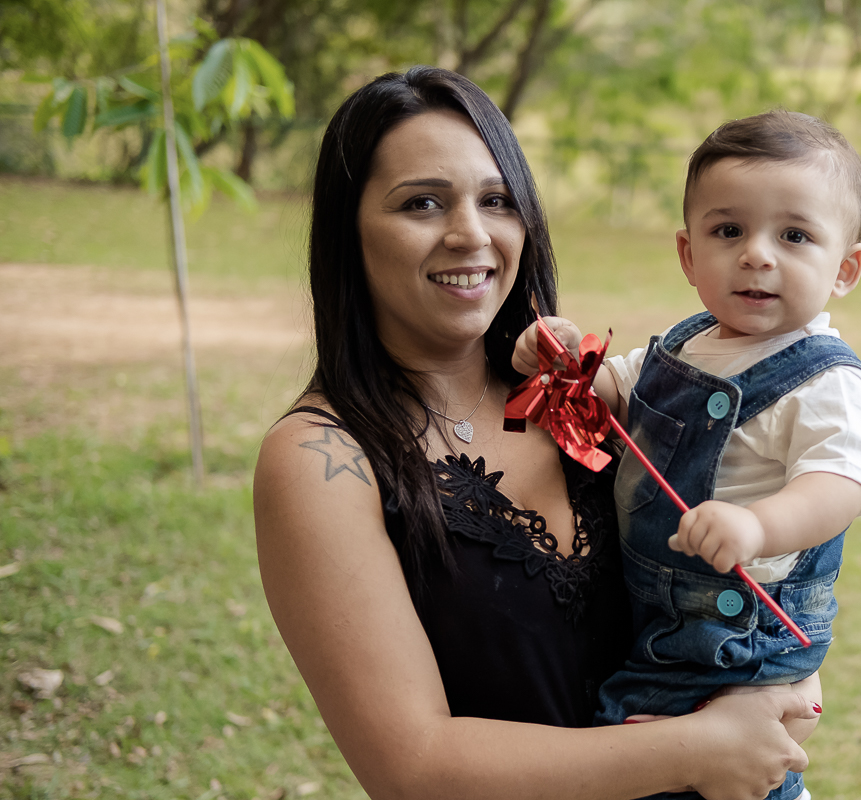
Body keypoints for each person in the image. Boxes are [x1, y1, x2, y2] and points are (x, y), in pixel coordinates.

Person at [253, 67, 821, 800]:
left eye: (496, 201)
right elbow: (412, 766)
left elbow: (741, 591)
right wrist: (696, 749)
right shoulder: (318, 461)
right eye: (421, 202)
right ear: (348, 231)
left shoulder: (586, 398)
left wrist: (774, 692)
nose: (471, 233)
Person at [513, 110, 861, 800]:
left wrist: (759, 526)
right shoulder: (687, 344)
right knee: (650, 753)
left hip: (740, 634)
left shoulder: (825, 382)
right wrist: (565, 362)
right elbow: (617, 392)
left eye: (795, 235)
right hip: (658, 614)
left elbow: (839, 484)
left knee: (687, 764)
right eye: (728, 231)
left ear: (846, 268)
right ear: (689, 256)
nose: (757, 254)